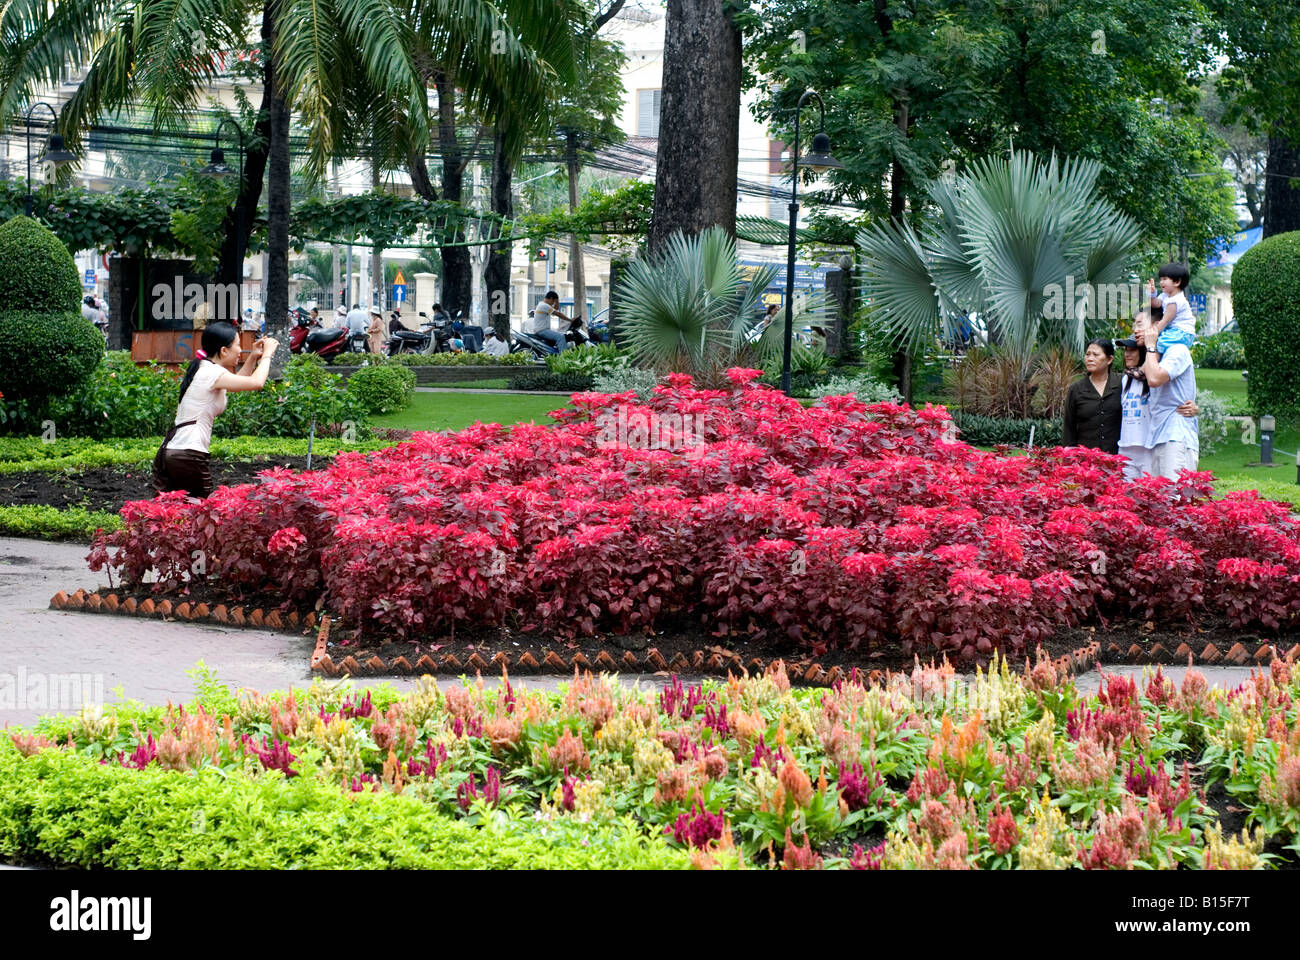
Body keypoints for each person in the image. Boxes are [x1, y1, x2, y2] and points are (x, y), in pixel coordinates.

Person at [153, 322, 278, 499]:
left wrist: (253, 357)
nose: (241, 350)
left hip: (176, 451)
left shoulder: (205, 369)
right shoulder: (211, 373)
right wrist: (267, 356)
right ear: (224, 351)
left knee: (180, 507)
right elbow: (256, 383)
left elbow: (237, 383)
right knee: (202, 509)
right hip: (189, 452)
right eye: (237, 345)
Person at [1140, 312, 1199, 480]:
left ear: (1156, 326)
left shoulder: (1177, 350)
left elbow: (1154, 379)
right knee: (1159, 500)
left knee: (1174, 498)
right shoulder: (1157, 354)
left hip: (1174, 437)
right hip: (1158, 436)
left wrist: (1151, 345)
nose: (1136, 330)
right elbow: (1141, 372)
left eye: (1139, 325)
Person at [1062, 339, 1122, 453]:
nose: (1089, 359)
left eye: (1096, 355)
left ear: (1109, 359)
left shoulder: (1122, 383)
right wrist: (1069, 459)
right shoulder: (1076, 389)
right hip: (1086, 460)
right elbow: (1069, 428)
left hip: (1116, 457)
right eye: (1087, 354)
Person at [1146, 263, 1196, 356]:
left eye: (1165, 279)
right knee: (1156, 343)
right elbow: (1155, 304)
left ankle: (1154, 367)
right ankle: (1153, 366)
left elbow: (1165, 321)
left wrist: (1151, 334)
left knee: (1158, 343)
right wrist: (1152, 294)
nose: (1161, 282)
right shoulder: (1165, 295)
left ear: (1177, 282)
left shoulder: (1175, 301)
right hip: (1173, 331)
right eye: (1160, 279)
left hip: (1182, 333)